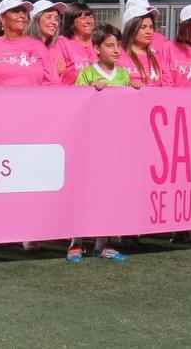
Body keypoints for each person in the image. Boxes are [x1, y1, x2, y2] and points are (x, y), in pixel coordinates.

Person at [68, 24, 139, 264]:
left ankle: (102, 244)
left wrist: (135, 91)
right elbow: (75, 104)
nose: (116, 50)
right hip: (89, 144)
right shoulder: (87, 74)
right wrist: (91, 90)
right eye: (110, 45)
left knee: (109, 192)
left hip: (114, 144)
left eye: (118, 45)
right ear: (97, 49)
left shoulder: (124, 75)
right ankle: (76, 243)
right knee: (83, 193)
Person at [0, 0, 52, 86]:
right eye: (16, 11)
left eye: (24, 12)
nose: (22, 15)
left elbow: (52, 82)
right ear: (2, 18)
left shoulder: (38, 46)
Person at [119, 3, 172, 87]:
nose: (149, 32)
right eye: (143, 27)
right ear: (131, 29)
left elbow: (168, 85)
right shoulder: (117, 55)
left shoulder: (158, 57)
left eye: (151, 27)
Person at [29, 0, 67, 84]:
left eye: (56, 19)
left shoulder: (54, 49)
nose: (54, 22)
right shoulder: (27, 49)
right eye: (49, 17)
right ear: (36, 20)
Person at [58, 2, 97, 85]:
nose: (89, 21)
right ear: (71, 22)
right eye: (83, 18)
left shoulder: (100, 42)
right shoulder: (62, 43)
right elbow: (58, 73)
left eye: (91, 17)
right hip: (71, 91)